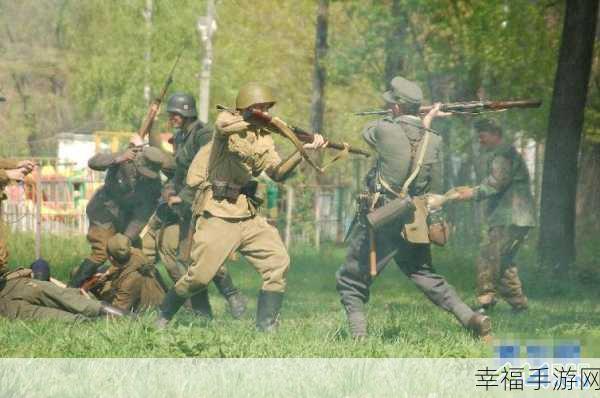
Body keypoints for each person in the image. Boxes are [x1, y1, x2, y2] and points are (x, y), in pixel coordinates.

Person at [156, 82, 326, 331]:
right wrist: (259, 121)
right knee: (200, 277)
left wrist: (304, 148)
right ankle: (163, 315)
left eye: (267, 108)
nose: (265, 112)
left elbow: (277, 173)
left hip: (247, 214)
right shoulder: (228, 120)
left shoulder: (263, 138)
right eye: (259, 107)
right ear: (246, 107)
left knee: (278, 262)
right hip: (218, 212)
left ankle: (266, 327)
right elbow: (224, 127)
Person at [335, 76, 491, 340]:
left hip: (382, 217)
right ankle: (472, 317)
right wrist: (425, 123)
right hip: (413, 221)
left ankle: (358, 340)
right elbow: (423, 162)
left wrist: (400, 118)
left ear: (396, 107)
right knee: (425, 275)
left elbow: (369, 132)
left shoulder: (384, 129)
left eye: (390, 105)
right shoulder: (434, 140)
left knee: (350, 281)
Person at [141, 93, 247, 319]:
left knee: (203, 258)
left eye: (176, 114)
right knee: (187, 260)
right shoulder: (181, 137)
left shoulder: (203, 134)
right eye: (171, 114)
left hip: (202, 203)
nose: (173, 118)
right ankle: (202, 312)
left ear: (187, 112)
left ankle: (232, 295)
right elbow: (179, 172)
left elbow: (207, 167)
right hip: (183, 207)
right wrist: (171, 191)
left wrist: (186, 195)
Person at [455, 118, 535, 312]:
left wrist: (471, 193)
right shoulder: (505, 153)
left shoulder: (503, 154)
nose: (479, 140)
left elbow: (495, 183)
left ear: (494, 134)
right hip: (516, 217)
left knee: (488, 256)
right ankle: (519, 306)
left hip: (510, 216)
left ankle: (485, 304)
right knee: (504, 261)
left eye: (482, 135)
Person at [69, 145, 173, 288]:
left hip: (127, 219)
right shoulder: (125, 159)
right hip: (103, 212)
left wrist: (127, 238)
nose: (144, 176)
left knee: (136, 255)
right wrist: (117, 159)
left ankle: (148, 294)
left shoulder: (153, 186)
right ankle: (71, 289)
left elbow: (142, 216)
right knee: (101, 253)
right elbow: (93, 162)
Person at [94, 234, 165, 312]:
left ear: (111, 258)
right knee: (103, 271)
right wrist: (107, 273)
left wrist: (93, 303)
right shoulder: (135, 253)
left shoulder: (130, 281)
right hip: (159, 297)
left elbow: (117, 313)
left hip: (151, 311)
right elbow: (121, 264)